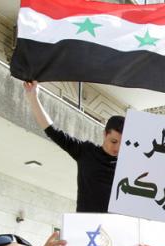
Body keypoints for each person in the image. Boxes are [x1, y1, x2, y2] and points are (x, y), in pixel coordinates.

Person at [23, 81, 123, 214]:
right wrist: (33, 97)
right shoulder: (86, 152)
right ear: (105, 134)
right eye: (114, 141)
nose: (117, 148)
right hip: (85, 225)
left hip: (115, 227)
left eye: (123, 144)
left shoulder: (127, 166)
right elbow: (53, 132)